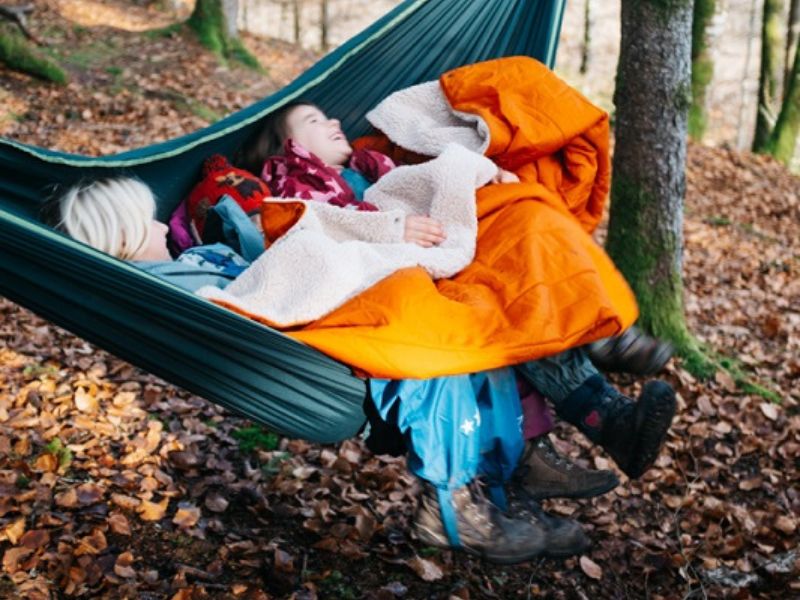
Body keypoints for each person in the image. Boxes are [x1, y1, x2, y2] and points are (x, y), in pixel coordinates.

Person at [44, 175, 597, 564]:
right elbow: (269, 288)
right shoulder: (170, 290)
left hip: (335, 317)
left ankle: (502, 494)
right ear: (120, 238)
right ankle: (453, 507)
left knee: (475, 343)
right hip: (319, 347)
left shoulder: (183, 263)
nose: (162, 224)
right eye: (146, 221)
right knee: (440, 356)